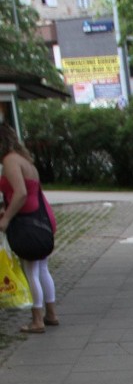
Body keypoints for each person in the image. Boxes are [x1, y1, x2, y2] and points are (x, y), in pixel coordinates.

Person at [0, 124, 59, 334]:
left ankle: (37, 319)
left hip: (28, 222)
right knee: (42, 268)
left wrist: (6, 219)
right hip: (41, 219)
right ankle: (50, 313)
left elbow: (21, 193)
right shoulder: (25, 160)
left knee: (31, 270)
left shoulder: (10, 161)